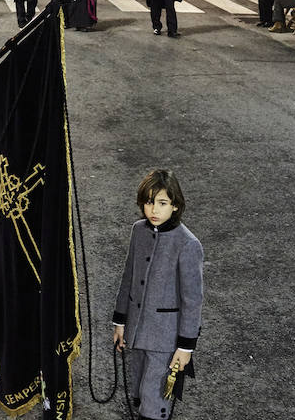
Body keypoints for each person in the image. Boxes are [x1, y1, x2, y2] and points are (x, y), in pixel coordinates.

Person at [112, 170, 203, 420]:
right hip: (137, 332)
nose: (154, 209)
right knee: (139, 394)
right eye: (149, 201)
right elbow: (128, 277)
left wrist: (186, 347)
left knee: (155, 404)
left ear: (175, 205)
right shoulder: (138, 230)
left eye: (162, 203)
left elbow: (192, 301)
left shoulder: (187, 244)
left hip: (166, 340)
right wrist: (120, 321)